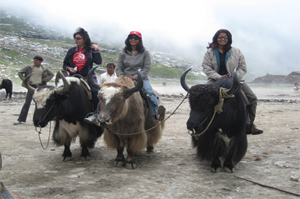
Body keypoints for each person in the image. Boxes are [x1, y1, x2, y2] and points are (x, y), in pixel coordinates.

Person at [202, 29, 263, 135]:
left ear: (229, 39)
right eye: (220, 37)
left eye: (225, 37)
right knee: (202, 96)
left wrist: (234, 76)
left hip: (234, 80)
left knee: (252, 98)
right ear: (216, 38)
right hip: (215, 80)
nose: (222, 39)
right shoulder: (210, 52)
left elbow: (242, 68)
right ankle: (202, 124)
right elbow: (206, 67)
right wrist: (219, 77)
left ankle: (248, 125)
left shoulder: (236, 51)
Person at [116, 31, 165, 120]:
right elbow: (119, 67)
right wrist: (123, 77)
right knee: (109, 93)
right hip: (124, 78)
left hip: (141, 78)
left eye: (136, 38)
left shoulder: (145, 52)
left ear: (139, 40)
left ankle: (156, 111)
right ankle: (99, 114)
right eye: (131, 37)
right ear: (128, 39)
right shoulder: (123, 52)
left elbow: (146, 68)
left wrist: (136, 76)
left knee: (148, 91)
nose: (133, 39)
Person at [63, 27, 102, 110]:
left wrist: (96, 49)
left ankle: (96, 114)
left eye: (78, 38)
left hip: (88, 78)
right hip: (73, 77)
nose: (76, 40)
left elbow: (98, 62)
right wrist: (68, 69)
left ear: (84, 39)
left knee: (96, 92)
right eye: (75, 38)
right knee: (57, 90)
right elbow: (65, 64)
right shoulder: (71, 50)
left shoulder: (91, 50)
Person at [14, 56, 54, 125]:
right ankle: (20, 119)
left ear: (41, 61)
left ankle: (37, 120)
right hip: (31, 87)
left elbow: (51, 74)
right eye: (34, 60)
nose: (35, 61)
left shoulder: (44, 68)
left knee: (38, 104)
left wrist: (45, 79)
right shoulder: (29, 67)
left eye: (37, 60)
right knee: (27, 103)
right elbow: (20, 72)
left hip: (39, 87)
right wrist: (25, 80)